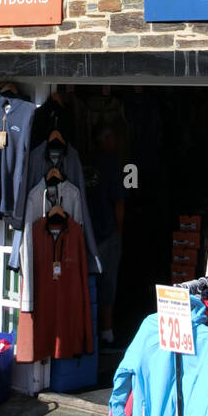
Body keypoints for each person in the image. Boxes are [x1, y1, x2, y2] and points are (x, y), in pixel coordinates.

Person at [83, 126, 125, 348]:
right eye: (114, 138)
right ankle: (107, 332)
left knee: (87, 281)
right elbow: (119, 201)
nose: (116, 142)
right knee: (108, 281)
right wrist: (119, 231)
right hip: (106, 231)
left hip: (82, 230)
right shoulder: (111, 163)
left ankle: (87, 329)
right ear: (106, 139)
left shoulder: (82, 160)